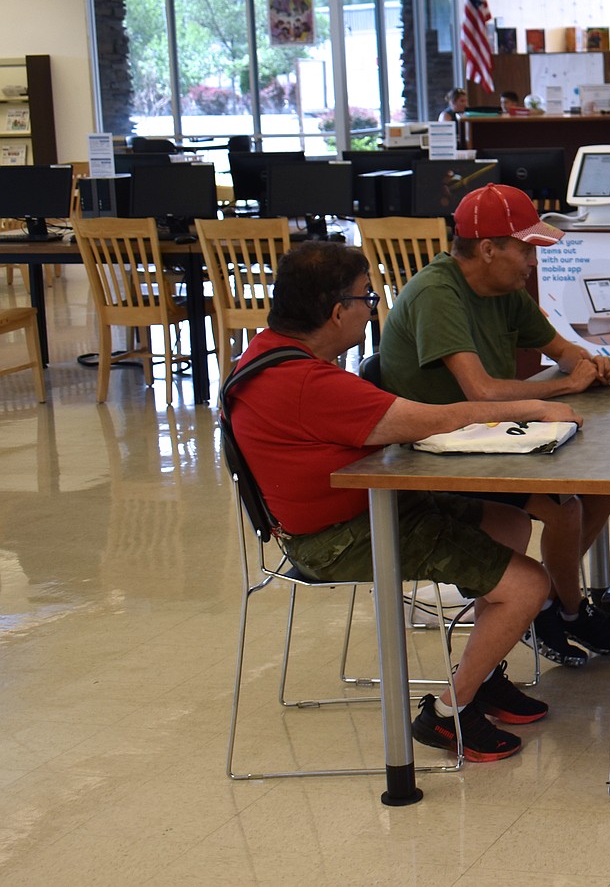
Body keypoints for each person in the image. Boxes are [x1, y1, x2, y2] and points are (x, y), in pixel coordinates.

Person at [227, 241, 584, 763]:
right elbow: (434, 418)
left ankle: (480, 677)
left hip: (352, 510)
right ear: (336, 312)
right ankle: (446, 715)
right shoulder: (309, 382)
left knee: (508, 523)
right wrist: (534, 407)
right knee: (529, 584)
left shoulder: (265, 352)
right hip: (336, 537)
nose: (372, 306)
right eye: (366, 297)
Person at [379, 183, 610, 666]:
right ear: (488, 249)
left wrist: (592, 364)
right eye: (525, 249)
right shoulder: (438, 293)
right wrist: (563, 389)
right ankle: (566, 610)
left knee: (604, 486)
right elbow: (481, 391)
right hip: (433, 456)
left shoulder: (505, 289)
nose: (533, 263)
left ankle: (549, 604)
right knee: (564, 508)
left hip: (489, 439)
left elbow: (564, 353)